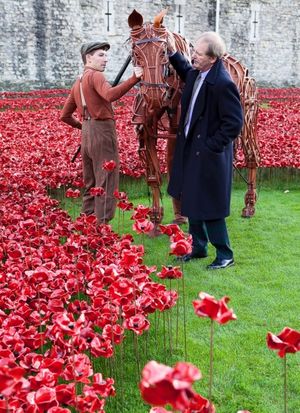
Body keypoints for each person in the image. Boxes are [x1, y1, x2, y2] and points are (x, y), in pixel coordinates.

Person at [166, 31, 243, 270]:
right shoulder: (199, 73)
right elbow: (187, 71)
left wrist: (210, 146)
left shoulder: (222, 83)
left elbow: (233, 123)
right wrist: (172, 52)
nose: (193, 57)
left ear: (213, 58)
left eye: (198, 54)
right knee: (191, 198)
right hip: (191, 150)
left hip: (209, 155)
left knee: (210, 205)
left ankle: (225, 254)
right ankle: (198, 247)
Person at [61, 41, 143, 224]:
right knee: (106, 178)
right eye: (100, 55)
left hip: (87, 133)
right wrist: (133, 79)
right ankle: (101, 227)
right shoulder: (96, 76)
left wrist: (84, 127)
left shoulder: (78, 82)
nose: (105, 59)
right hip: (103, 132)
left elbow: (64, 116)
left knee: (90, 182)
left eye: (105, 55)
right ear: (88, 58)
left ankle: (86, 223)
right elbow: (110, 95)